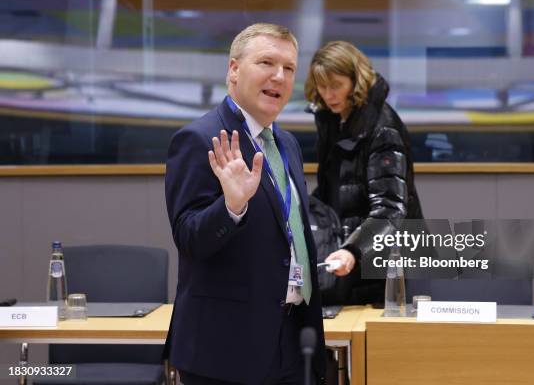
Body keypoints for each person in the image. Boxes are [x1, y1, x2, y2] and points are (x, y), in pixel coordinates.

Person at [165, 23, 326, 385]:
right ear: (234, 69)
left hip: (292, 336)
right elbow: (190, 238)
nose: (279, 76)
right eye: (266, 62)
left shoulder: (287, 143)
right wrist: (232, 207)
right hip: (226, 350)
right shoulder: (200, 138)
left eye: (289, 68)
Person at [305, 40, 423, 306]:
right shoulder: (333, 119)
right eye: (322, 86)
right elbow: (332, 190)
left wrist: (352, 249)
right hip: (347, 256)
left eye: (336, 85)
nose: (328, 94)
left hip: (387, 263)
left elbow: (391, 208)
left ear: (356, 81)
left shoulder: (383, 128)